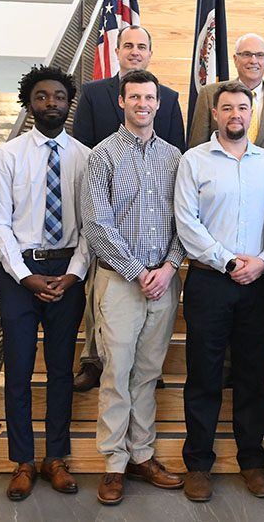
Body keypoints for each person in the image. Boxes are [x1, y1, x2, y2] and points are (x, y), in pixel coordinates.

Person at [175, 81, 264, 502]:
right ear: (215, 114)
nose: (235, 114)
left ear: (250, 113)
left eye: (242, 107)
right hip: (209, 282)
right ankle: (199, 464)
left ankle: (252, 461)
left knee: (251, 376)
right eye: (227, 108)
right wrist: (228, 261)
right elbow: (187, 223)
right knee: (203, 376)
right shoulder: (194, 161)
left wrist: (262, 261)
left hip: (258, 284)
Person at [81, 69, 186, 506]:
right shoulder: (102, 155)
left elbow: (186, 218)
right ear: (122, 102)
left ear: (158, 104)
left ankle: (143, 455)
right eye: (135, 97)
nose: (143, 104)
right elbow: (96, 223)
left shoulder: (176, 158)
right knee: (116, 373)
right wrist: (135, 271)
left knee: (147, 374)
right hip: (120, 283)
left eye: (149, 97)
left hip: (164, 283)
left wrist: (168, 267)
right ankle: (113, 463)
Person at [0, 65, 90, 501]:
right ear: (29, 103)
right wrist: (26, 276)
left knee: (62, 372)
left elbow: (92, 225)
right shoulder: (7, 156)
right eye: (42, 96)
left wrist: (74, 273)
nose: (51, 103)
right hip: (19, 277)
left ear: (69, 104)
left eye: (59, 96)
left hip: (68, 274)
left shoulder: (85, 156)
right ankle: (23, 461)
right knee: (21, 373)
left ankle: (56, 459)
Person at [71, 24, 185, 392]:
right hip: (110, 221)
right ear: (117, 50)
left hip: (155, 232)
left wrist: (168, 266)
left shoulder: (168, 102)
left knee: (145, 366)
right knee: (113, 359)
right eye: (129, 45)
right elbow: (83, 148)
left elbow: (178, 184)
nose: (135, 51)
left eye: (142, 46)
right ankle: (93, 357)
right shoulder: (94, 95)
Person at [188, 32, 264, 174]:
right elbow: (197, 147)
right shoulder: (209, 94)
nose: (253, 60)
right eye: (246, 54)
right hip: (217, 186)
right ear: (235, 59)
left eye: (259, 55)